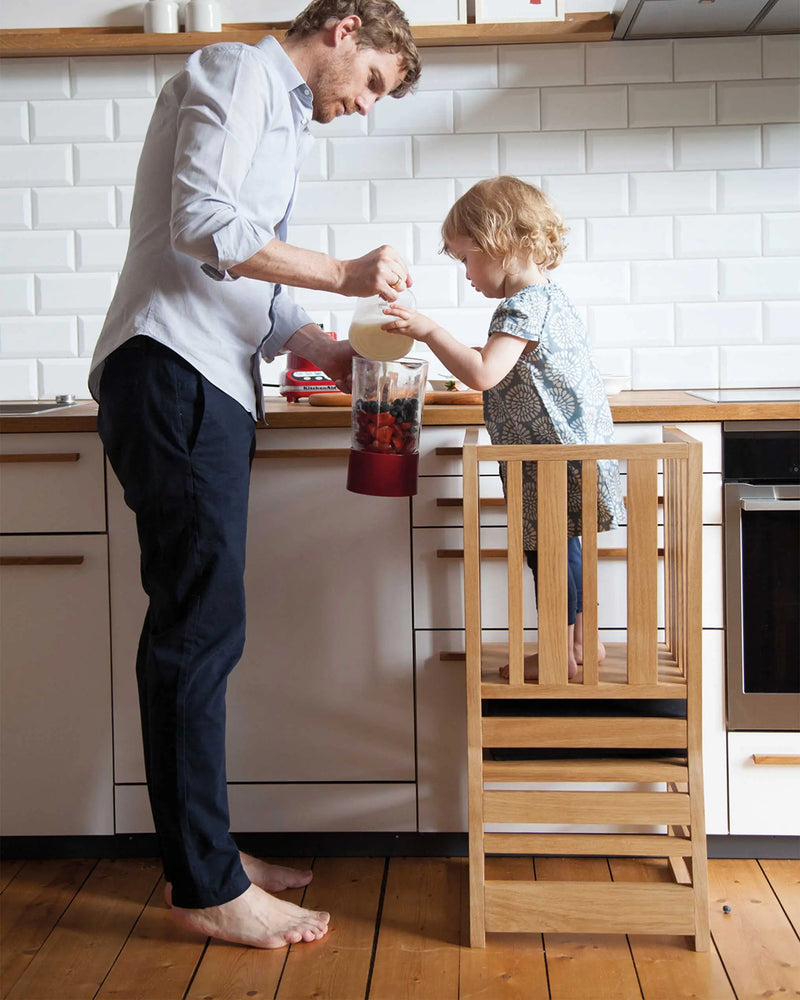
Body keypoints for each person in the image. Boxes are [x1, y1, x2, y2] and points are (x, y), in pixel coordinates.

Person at [88, 0, 420, 950]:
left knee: (209, 632)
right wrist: (347, 275)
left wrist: (335, 352)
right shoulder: (236, 74)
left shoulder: (279, 120)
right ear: (346, 29)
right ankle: (204, 884)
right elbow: (203, 225)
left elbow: (254, 295)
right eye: (373, 86)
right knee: (197, 633)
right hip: (175, 373)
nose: (365, 107)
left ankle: (212, 856)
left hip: (207, 378)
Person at [382, 176, 626, 678]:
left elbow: (483, 372)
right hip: (567, 454)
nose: (465, 272)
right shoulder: (549, 299)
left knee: (548, 553)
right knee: (566, 548)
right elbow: (497, 365)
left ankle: (560, 652)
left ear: (498, 242)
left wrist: (429, 331)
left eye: (464, 257)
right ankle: (584, 645)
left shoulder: (521, 305)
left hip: (551, 458)